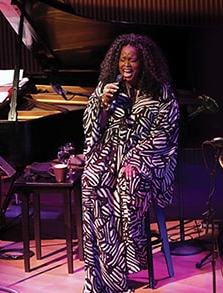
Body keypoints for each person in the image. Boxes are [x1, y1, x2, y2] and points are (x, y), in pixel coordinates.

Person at [81, 33, 180, 293]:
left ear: (144, 63)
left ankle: (128, 261)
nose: (127, 65)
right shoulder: (107, 89)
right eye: (123, 59)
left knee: (127, 183)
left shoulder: (160, 92)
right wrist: (102, 104)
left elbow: (165, 133)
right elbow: (93, 130)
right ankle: (102, 277)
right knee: (91, 181)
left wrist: (136, 158)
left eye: (133, 60)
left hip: (147, 160)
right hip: (111, 154)